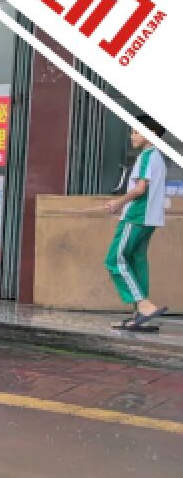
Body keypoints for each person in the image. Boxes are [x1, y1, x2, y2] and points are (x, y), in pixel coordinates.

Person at [103, 115, 170, 331]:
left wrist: (118, 203)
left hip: (136, 216)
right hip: (149, 218)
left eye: (136, 131)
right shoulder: (157, 157)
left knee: (115, 259)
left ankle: (144, 305)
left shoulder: (148, 156)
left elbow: (140, 188)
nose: (131, 135)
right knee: (136, 261)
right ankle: (139, 316)